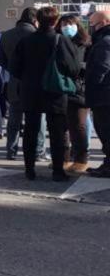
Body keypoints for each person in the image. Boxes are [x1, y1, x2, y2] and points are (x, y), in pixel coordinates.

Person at [11, 6, 80, 181]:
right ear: (55, 21)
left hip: (30, 90)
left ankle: (29, 169)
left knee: (30, 130)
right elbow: (73, 68)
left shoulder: (26, 41)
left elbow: (14, 68)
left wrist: (28, 77)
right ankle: (58, 170)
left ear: (37, 21)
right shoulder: (61, 40)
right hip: (54, 91)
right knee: (57, 132)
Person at [0, 8, 45, 161]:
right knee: (38, 119)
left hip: (14, 81)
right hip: (35, 82)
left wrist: (12, 70)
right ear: (34, 20)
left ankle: (11, 150)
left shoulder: (6, 35)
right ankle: (38, 151)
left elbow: (0, 60)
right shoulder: (37, 35)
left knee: (14, 119)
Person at [57, 14, 90, 174]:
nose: (66, 27)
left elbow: (90, 66)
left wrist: (78, 67)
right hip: (61, 90)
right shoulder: (57, 41)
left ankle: (81, 159)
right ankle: (64, 158)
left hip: (79, 90)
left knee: (79, 126)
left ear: (77, 26)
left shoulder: (85, 44)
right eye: (63, 24)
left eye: (70, 24)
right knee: (62, 127)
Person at [84, 11, 110, 177]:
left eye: (94, 25)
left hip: (104, 96)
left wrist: (91, 83)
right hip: (104, 95)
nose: (92, 28)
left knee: (105, 131)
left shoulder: (105, 42)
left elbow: (102, 67)